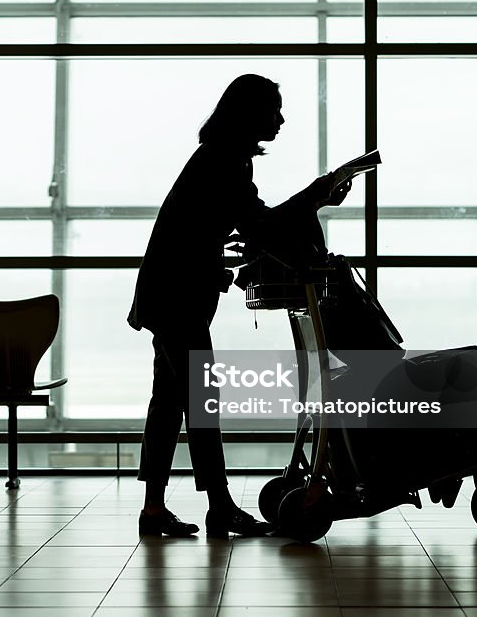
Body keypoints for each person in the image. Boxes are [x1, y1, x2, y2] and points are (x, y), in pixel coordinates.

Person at [129, 74, 351, 537]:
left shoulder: (219, 158)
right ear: (250, 113)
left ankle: (155, 510)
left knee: (170, 403)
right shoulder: (226, 161)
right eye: (274, 109)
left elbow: (241, 224)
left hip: (169, 293)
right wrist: (316, 196)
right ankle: (221, 506)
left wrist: (314, 199)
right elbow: (261, 225)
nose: (281, 119)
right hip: (178, 298)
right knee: (199, 400)